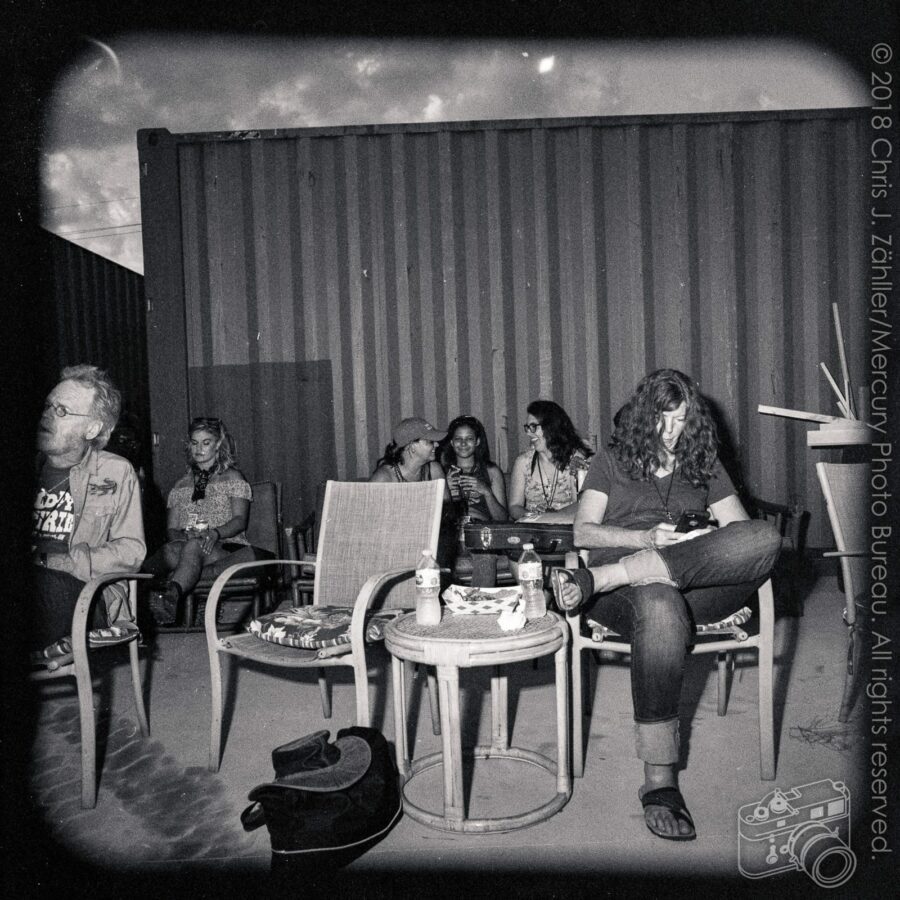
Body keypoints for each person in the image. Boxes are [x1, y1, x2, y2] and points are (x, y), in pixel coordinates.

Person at [549, 368, 781, 842]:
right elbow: (583, 531)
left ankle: (613, 574)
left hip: (680, 582)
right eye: (663, 419)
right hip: (628, 598)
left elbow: (741, 534)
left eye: (682, 420)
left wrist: (701, 539)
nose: (673, 432)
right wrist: (644, 538)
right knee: (658, 602)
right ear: (642, 417)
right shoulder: (610, 462)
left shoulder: (705, 463)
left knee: (766, 536)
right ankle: (660, 782)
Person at [31, 365, 146, 662]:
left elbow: (131, 551)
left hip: (86, 593)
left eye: (62, 411)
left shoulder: (115, 472)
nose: (47, 415)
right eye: (47, 406)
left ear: (92, 429)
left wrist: (67, 561)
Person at [143, 417, 253, 625]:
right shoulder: (182, 485)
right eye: (194, 443)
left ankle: (170, 597)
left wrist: (215, 533)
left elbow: (240, 520)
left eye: (206, 442)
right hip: (190, 547)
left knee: (193, 546)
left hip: (227, 548)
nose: (199, 449)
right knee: (170, 549)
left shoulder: (232, 478)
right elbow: (172, 529)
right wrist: (184, 535)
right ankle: (133, 590)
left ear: (218, 445)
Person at [507, 400, 592, 522]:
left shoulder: (577, 459)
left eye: (534, 427)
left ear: (551, 427)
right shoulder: (523, 462)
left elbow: (581, 504)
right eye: (527, 427)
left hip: (565, 527)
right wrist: (535, 518)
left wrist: (550, 518)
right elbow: (514, 507)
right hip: (534, 527)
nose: (529, 433)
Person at [441, 415, 508, 523]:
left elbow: (503, 519)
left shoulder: (492, 471)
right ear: (452, 442)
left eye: (469, 438)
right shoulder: (441, 472)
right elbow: (431, 516)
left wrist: (487, 492)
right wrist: (443, 489)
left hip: (481, 530)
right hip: (452, 530)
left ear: (477, 441)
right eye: (458, 439)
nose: (463, 443)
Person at [369, 417, 447, 483]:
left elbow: (444, 501)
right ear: (411, 446)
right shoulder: (383, 477)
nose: (437, 444)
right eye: (431, 442)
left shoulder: (434, 470)